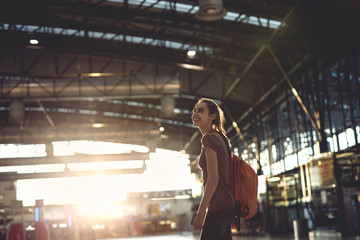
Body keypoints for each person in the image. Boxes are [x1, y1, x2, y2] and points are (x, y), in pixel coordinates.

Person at [191, 98, 236, 240]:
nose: (195, 114)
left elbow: (213, 178)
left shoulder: (209, 138)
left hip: (219, 207)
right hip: (226, 205)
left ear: (212, 116)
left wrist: (200, 213)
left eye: (200, 110)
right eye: (194, 110)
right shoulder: (217, 137)